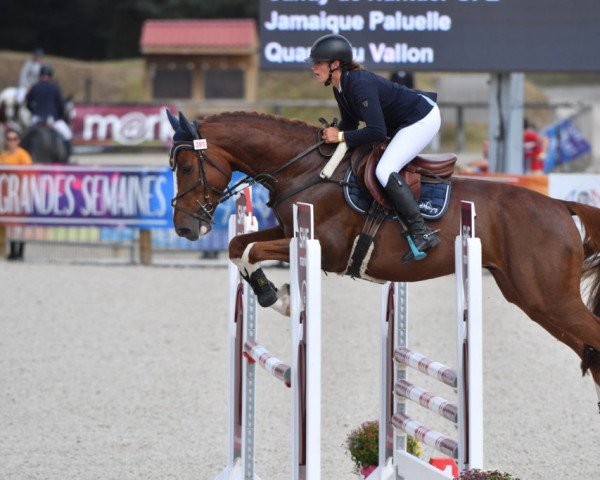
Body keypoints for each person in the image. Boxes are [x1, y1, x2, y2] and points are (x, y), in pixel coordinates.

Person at [306, 34, 441, 262]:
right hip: (402, 120)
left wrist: (339, 135)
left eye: (318, 62)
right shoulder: (340, 86)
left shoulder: (359, 84)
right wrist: (333, 136)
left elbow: (376, 131)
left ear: (335, 64)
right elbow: (350, 124)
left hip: (421, 119)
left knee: (385, 169)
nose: (313, 67)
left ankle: (422, 232)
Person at [25, 63, 73, 155]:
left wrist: (34, 112)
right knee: (68, 135)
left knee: (25, 136)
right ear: (51, 74)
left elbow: (28, 104)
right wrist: (59, 116)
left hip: (36, 119)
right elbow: (61, 106)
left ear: (40, 74)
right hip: (52, 119)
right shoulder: (55, 88)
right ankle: (68, 157)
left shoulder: (34, 87)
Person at [0, 128, 32, 260]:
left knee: (19, 225)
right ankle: (11, 251)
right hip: (6, 195)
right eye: (9, 139)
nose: (11, 142)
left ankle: (20, 251)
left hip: (19, 193)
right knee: (9, 225)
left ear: (18, 141)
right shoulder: (3, 156)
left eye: (14, 139)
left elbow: (27, 173)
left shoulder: (23, 155)